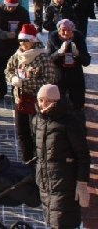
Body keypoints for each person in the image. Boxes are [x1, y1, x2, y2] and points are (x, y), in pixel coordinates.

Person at [33, 84, 91, 228]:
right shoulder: (37, 120)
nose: (43, 104)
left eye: (47, 100)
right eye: (40, 100)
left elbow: (83, 154)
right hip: (45, 184)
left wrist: (82, 183)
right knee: (51, 221)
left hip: (65, 185)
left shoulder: (70, 122)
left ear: (56, 101)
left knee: (62, 222)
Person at [5, 23, 57, 162]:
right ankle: (26, 160)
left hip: (37, 103)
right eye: (21, 40)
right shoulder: (18, 54)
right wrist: (13, 78)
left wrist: (24, 83)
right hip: (20, 100)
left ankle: (38, 161)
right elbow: (8, 69)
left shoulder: (43, 57)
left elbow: (48, 81)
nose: (23, 44)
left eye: (26, 40)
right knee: (22, 133)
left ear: (33, 40)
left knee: (37, 133)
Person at [0, 0, 31, 100]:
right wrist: (2, 34)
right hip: (0, 46)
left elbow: (27, 28)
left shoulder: (22, 12)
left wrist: (16, 34)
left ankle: (15, 91)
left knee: (17, 71)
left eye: (14, 6)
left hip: (16, 47)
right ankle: (1, 91)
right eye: (9, 6)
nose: (11, 8)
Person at [46, 18, 90, 113]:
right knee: (58, 106)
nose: (66, 33)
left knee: (77, 106)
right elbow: (48, 60)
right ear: (58, 31)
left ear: (73, 30)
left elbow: (87, 61)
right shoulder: (52, 39)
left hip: (75, 75)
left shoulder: (79, 38)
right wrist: (59, 53)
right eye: (63, 30)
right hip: (58, 76)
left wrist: (78, 54)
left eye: (69, 30)